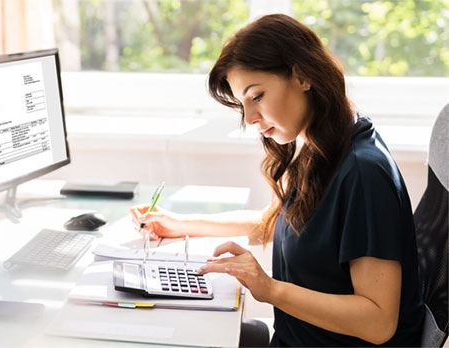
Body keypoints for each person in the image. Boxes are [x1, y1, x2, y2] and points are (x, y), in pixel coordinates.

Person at [130, 13, 424, 347]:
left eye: (257, 96)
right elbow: (281, 223)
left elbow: (377, 322)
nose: (250, 119)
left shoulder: (362, 174)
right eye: (242, 104)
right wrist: (182, 224)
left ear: (302, 76)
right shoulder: (321, 142)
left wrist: (268, 289)